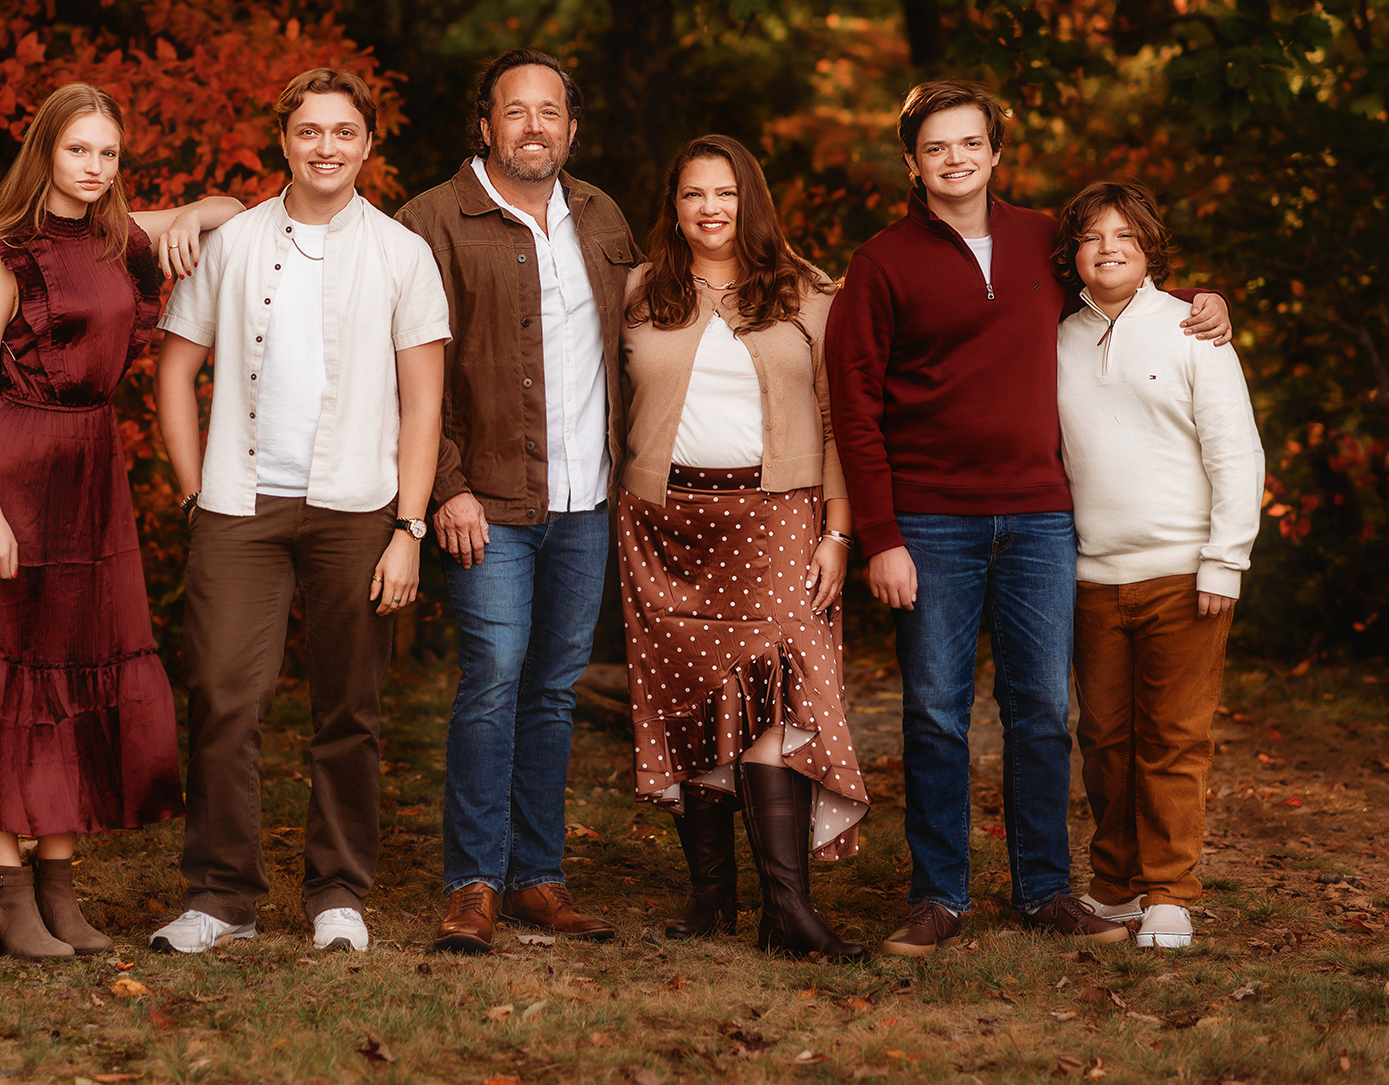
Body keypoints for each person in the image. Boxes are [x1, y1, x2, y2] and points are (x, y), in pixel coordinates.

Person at [824, 80, 1233, 957]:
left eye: (970, 143)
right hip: (932, 523)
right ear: (912, 162)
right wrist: (882, 536)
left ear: (995, 152)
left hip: (1044, 520)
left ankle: (1044, 887)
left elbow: (1119, 279)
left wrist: (1206, 302)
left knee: (1043, 707)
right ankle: (939, 894)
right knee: (935, 710)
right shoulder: (883, 261)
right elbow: (853, 407)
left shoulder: (1044, 237)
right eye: (936, 147)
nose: (955, 159)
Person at [0, 82, 242, 960]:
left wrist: (190, 209)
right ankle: (4, 892)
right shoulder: (3, 258)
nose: (94, 167)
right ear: (45, 150)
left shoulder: (117, 235)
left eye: (109, 153)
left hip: (92, 469)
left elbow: (234, 210)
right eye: (79, 150)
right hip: (13, 466)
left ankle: (59, 886)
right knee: (8, 674)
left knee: (77, 666)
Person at [148, 68, 449, 957]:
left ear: (367, 145)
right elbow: (174, 367)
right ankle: (222, 894)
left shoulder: (401, 253)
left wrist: (410, 526)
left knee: (348, 708)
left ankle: (338, 892)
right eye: (310, 131)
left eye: (344, 132)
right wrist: (195, 486)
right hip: (239, 503)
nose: (327, 147)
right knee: (223, 698)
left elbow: (424, 401)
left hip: (360, 508)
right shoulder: (234, 242)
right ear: (283, 140)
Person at [396, 49, 634, 953]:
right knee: (492, 684)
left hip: (586, 500)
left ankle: (538, 878)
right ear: (484, 126)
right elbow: (411, 373)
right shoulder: (431, 221)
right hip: (486, 501)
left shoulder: (604, 216)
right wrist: (446, 486)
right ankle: (473, 882)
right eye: (514, 111)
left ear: (572, 126)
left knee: (554, 690)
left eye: (550, 112)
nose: (533, 126)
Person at [619, 135, 869, 960]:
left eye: (725, 192)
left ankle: (786, 908)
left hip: (777, 518)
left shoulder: (808, 294)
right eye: (693, 194)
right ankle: (710, 898)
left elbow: (839, 421)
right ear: (674, 205)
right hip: (663, 520)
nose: (710, 208)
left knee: (774, 686)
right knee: (686, 690)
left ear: (750, 200)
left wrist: (839, 531)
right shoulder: (636, 293)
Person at [1054, 182, 1263, 950]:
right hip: (1090, 577)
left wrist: (1224, 560)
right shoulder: (1059, 336)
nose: (1108, 248)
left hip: (1185, 573)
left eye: (1124, 236)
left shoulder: (1191, 329)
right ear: (1072, 251)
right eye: (1092, 236)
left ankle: (1170, 891)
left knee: (1171, 739)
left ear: (1148, 249)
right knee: (1104, 739)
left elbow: (1234, 449)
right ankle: (1114, 886)